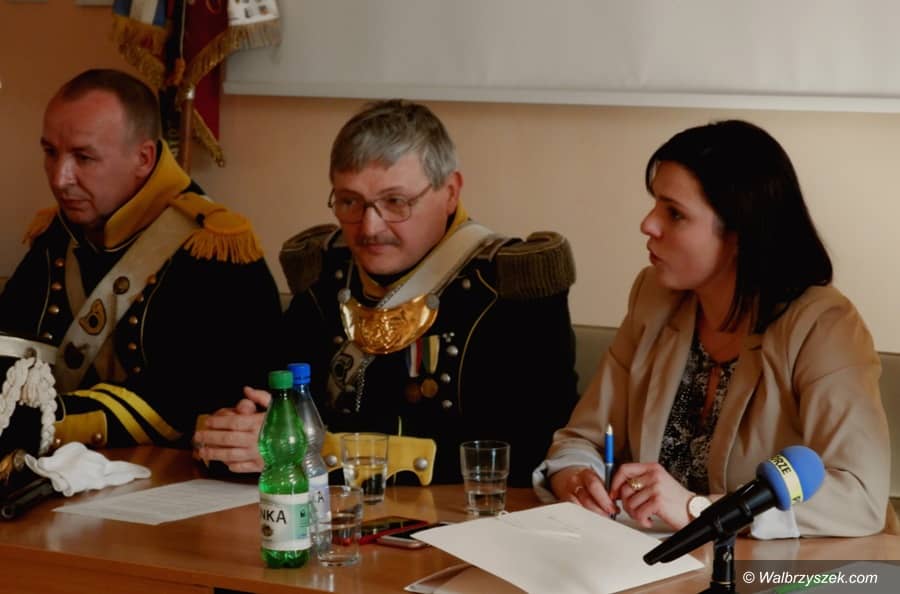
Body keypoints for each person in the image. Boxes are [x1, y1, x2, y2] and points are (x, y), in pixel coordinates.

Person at [536, 119, 893, 537]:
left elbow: (859, 496)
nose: (648, 224)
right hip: (644, 557)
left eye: (674, 213)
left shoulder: (823, 326)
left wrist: (700, 510)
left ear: (740, 233)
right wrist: (577, 478)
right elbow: (582, 438)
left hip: (772, 568)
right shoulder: (654, 298)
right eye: (655, 205)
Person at [195, 99, 579, 486]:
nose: (369, 228)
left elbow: (529, 450)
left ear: (450, 192)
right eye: (350, 202)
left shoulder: (511, 286)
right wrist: (237, 434)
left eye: (395, 202)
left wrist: (313, 451)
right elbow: (264, 399)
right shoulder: (324, 275)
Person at [0, 69, 282, 457]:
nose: (60, 178)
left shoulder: (214, 249)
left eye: (84, 157)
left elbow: (188, 399)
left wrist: (43, 422)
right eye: (50, 153)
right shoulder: (58, 232)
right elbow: (12, 344)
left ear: (144, 158)